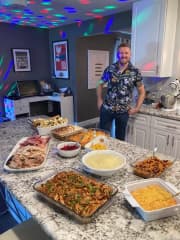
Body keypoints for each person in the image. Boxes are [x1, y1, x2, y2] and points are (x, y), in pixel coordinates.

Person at [96, 43, 145, 141]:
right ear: (117, 54)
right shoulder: (110, 69)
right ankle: (102, 155)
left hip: (123, 112)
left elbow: (142, 92)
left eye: (126, 53)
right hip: (107, 109)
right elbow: (99, 84)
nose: (123, 55)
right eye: (121, 53)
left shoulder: (135, 72)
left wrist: (137, 108)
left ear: (130, 54)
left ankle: (117, 156)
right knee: (103, 137)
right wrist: (99, 100)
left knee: (120, 139)